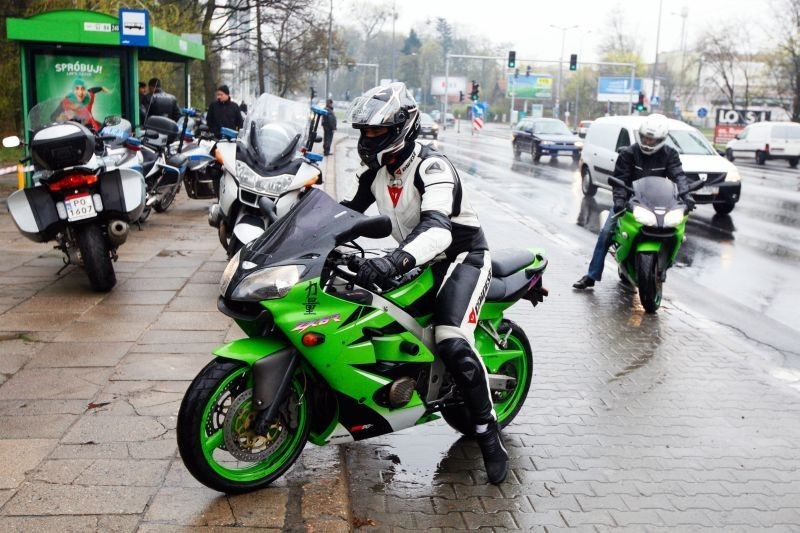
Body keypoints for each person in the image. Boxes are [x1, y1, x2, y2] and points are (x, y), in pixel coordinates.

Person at [341, 82, 508, 485]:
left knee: (450, 338)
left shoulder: (432, 168)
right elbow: (345, 214)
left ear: (401, 127)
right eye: (364, 132)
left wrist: (393, 260)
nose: (368, 139)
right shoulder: (378, 173)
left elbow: (438, 227)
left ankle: (487, 433)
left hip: (461, 257)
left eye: (376, 132)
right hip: (418, 259)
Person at [573, 113, 693, 290]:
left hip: (658, 202)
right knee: (606, 233)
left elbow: (679, 176)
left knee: (676, 232)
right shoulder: (628, 153)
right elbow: (620, 180)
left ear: (661, 139)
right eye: (645, 137)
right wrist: (620, 201)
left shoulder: (670, 154)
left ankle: (663, 266)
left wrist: (687, 196)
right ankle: (592, 275)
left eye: (652, 140)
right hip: (630, 201)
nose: (647, 142)